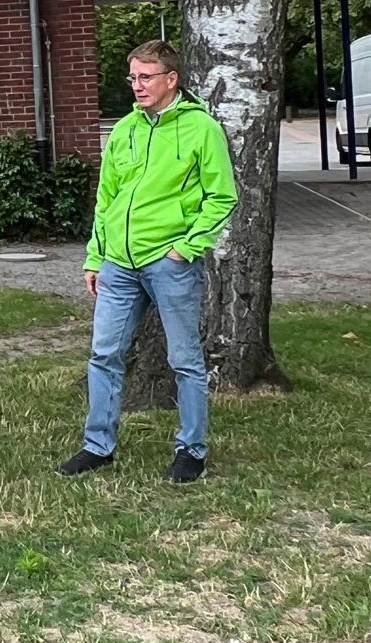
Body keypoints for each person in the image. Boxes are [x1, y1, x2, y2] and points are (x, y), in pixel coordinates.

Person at [59, 40, 237, 485]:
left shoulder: (202, 130)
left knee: (185, 360)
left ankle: (191, 450)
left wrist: (186, 247)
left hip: (170, 262)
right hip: (118, 263)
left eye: (145, 77)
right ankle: (97, 446)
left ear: (170, 79)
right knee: (103, 354)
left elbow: (222, 197)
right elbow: (106, 199)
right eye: (132, 77)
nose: (136, 85)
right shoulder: (125, 130)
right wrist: (95, 257)